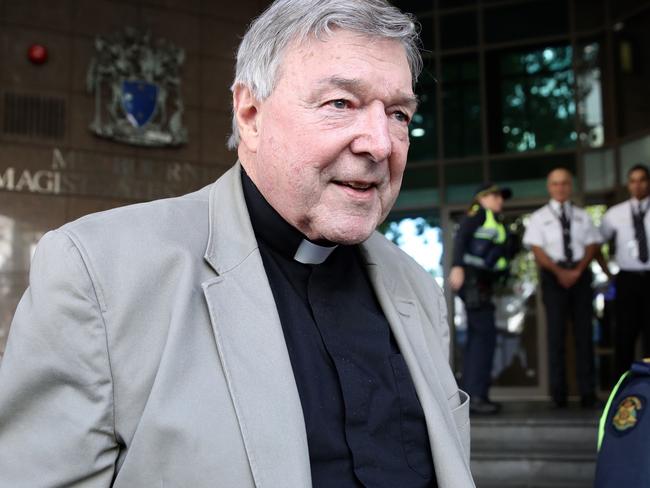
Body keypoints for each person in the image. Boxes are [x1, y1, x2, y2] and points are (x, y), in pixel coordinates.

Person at [0, 1, 475, 487]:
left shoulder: (418, 289)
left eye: (398, 113)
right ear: (250, 113)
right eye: (341, 104)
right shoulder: (98, 274)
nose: (380, 144)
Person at [522, 168, 600, 408]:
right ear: (549, 187)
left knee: (584, 336)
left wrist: (577, 271)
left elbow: (593, 245)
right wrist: (560, 273)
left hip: (580, 276)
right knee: (555, 337)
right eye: (556, 184)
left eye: (565, 183)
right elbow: (537, 250)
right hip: (553, 278)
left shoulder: (582, 216)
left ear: (570, 186)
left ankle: (588, 394)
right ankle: (559, 396)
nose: (560, 187)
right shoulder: (538, 218)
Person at [449, 182, 514, 415]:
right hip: (474, 284)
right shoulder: (477, 216)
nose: (500, 200)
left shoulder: (496, 221)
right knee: (483, 339)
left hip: (483, 285)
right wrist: (457, 267)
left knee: (480, 339)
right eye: (495, 196)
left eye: (501, 197)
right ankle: (476, 397)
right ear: (482, 198)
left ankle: (475, 396)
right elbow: (461, 238)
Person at [600, 164, 650, 378]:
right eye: (633, 180)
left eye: (642, 180)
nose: (637, 185)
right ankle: (622, 392)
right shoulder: (615, 214)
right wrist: (609, 274)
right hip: (627, 279)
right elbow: (595, 244)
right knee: (624, 336)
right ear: (628, 185)